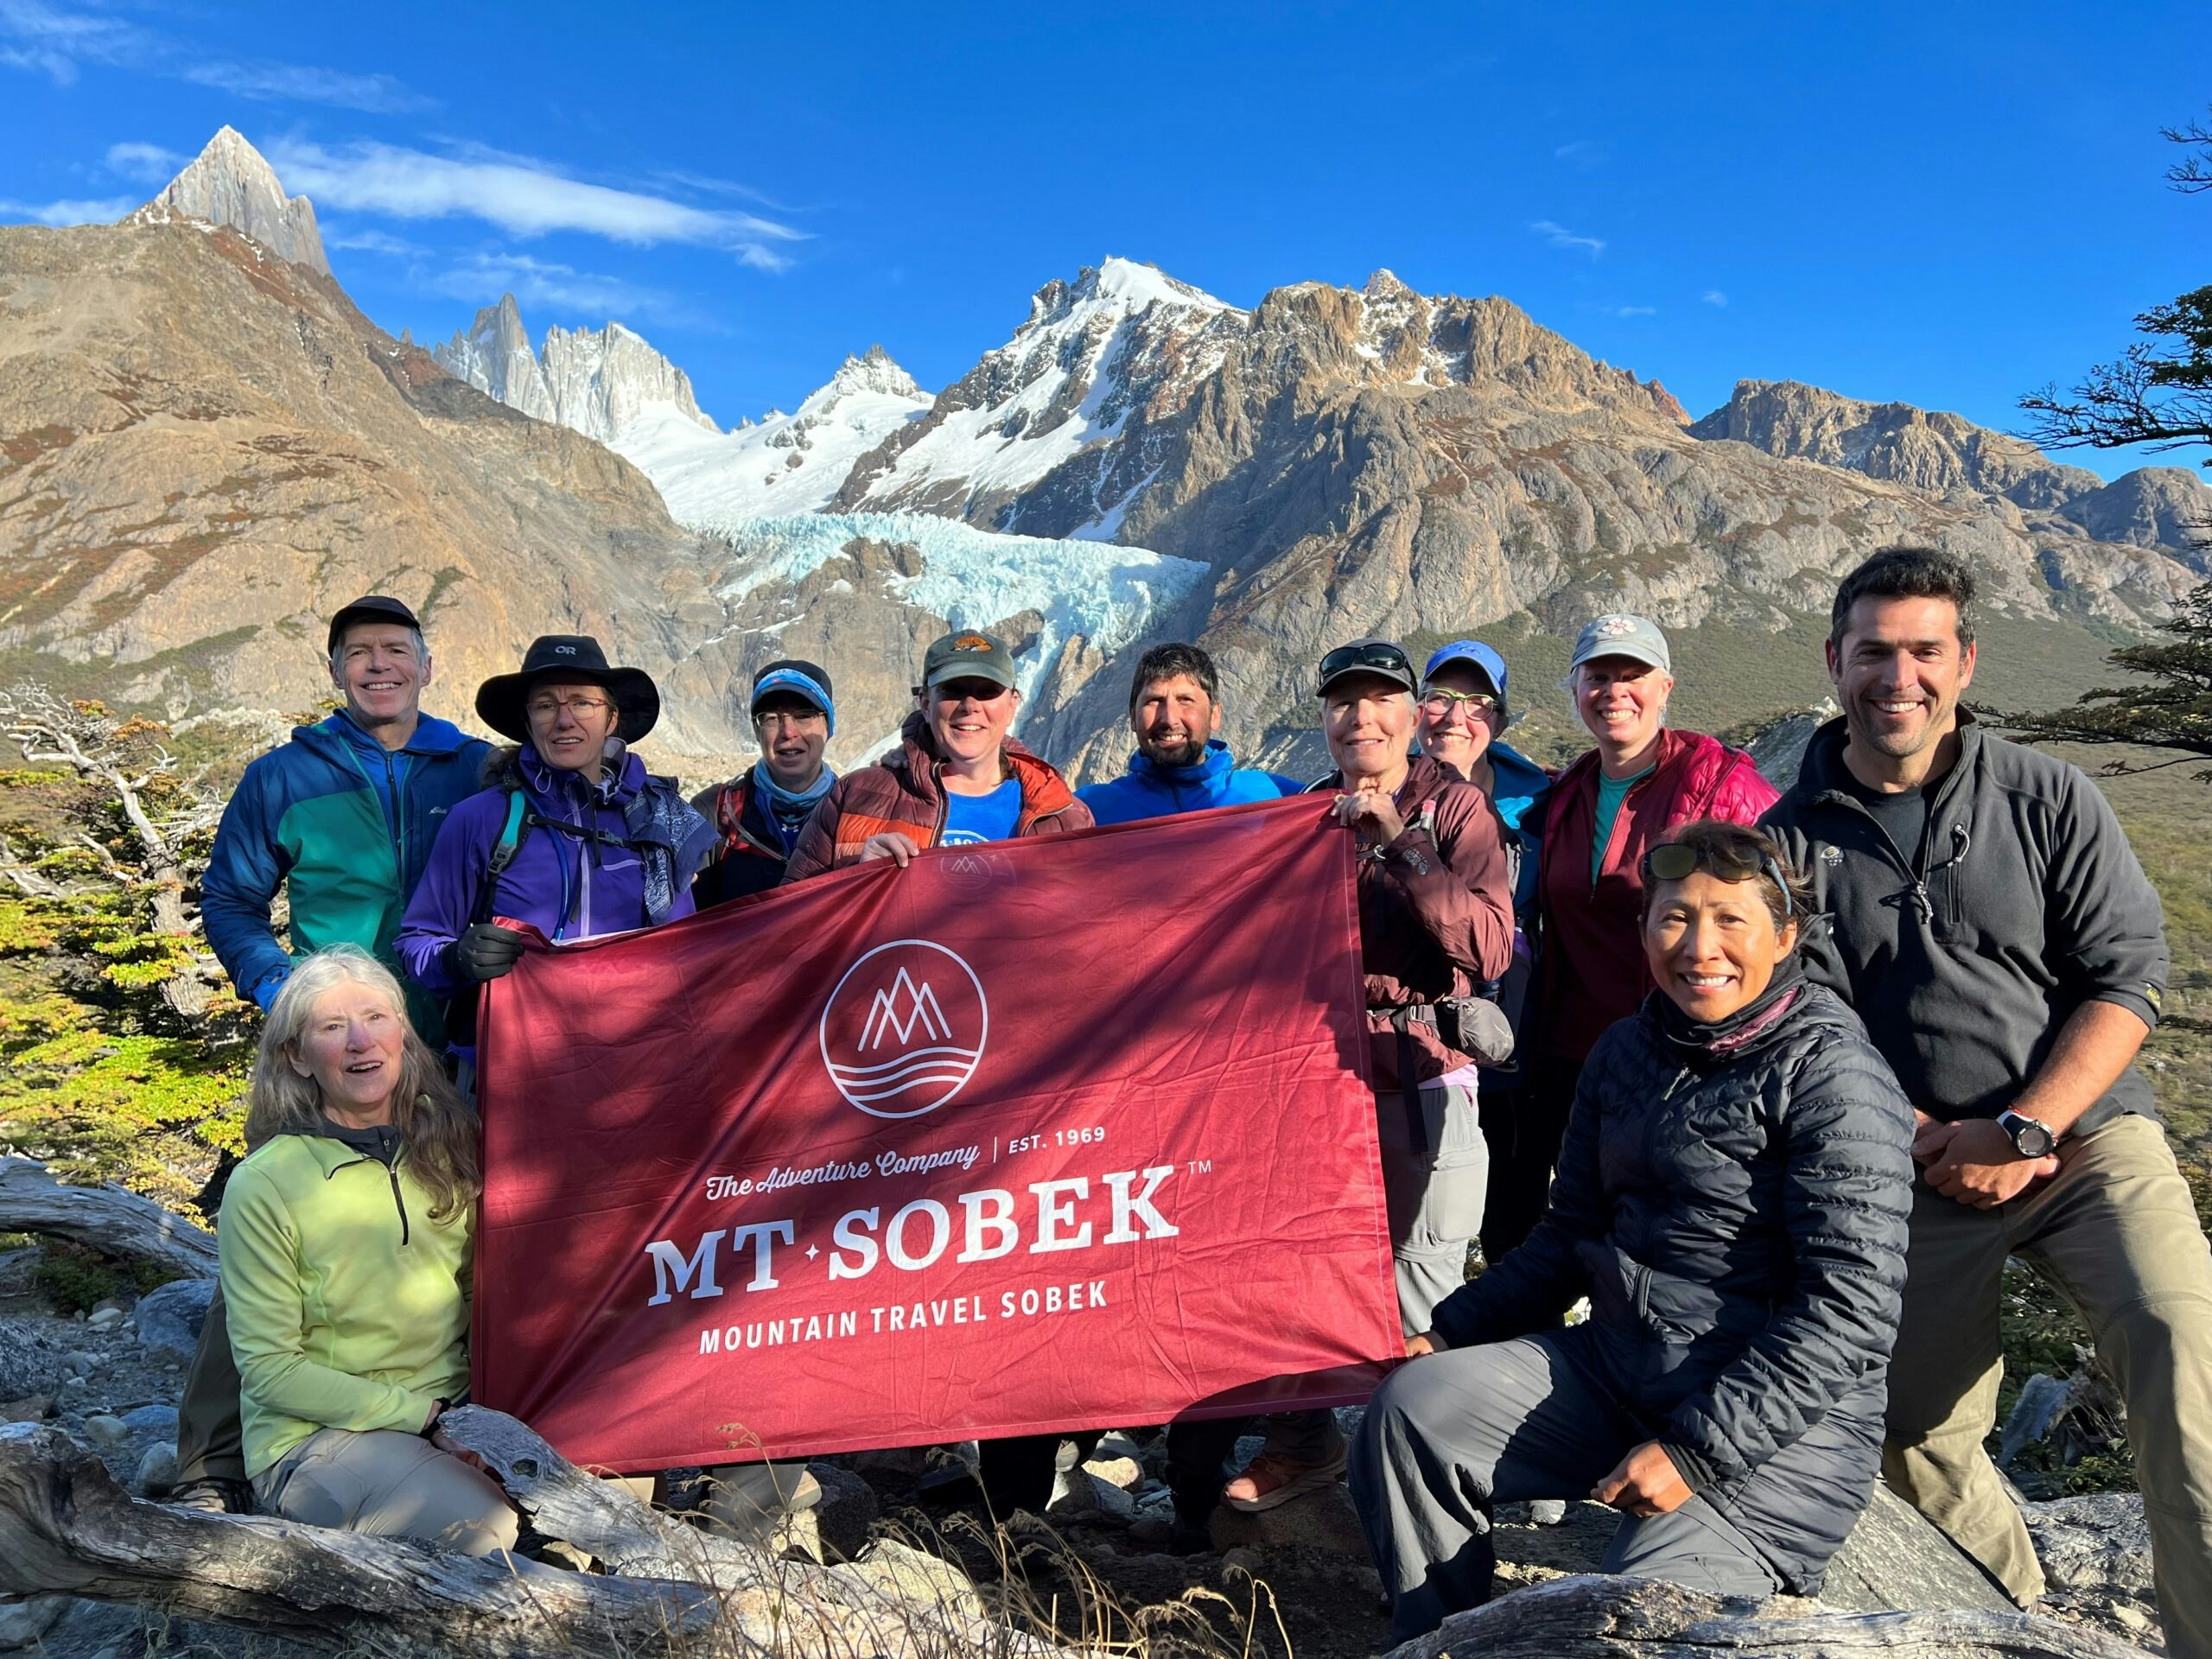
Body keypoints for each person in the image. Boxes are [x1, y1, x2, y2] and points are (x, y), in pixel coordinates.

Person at [1762, 547, 2212, 1659]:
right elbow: (1809, 1033)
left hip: (2089, 1138)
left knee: (2179, 1347)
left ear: (1964, 661)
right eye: (1874, 651)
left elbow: (2128, 976)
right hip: (1908, 1167)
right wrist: (1929, 1140)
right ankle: (2028, 1625)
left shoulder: (2044, 793)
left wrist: (2025, 1127)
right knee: (1906, 1432)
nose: (1897, 677)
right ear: (1835, 662)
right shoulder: (1787, 841)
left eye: (1924, 650)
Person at [1351, 822, 1915, 1640]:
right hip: (1621, 1373)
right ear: (1644, 930)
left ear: (1786, 935)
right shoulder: (1627, 1050)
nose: (1699, 947)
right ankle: (1449, 1639)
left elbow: (1851, 1310)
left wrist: (1695, 1455)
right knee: (1411, 1410)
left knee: (1624, 1622)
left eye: (1731, 920)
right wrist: (1445, 1333)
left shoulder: (1832, 1073)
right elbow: (1567, 1236)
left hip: (1774, 1440)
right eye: (1675, 918)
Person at [179, 594, 490, 1516]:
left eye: (397, 649)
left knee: (452, 1226)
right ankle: (211, 1462)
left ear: (429, 664)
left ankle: (451, 1410)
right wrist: (285, 994)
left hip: (444, 1036)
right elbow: (229, 900)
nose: (379, 666)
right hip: (323, 1045)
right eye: (360, 654)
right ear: (334, 673)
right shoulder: (283, 775)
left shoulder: (474, 766)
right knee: (275, 1222)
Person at [1201, 638, 1516, 1518]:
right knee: (1295, 1268)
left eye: (1379, 699)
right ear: (1326, 719)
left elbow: (1488, 948)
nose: (1360, 716)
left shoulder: (1455, 811)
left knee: (1421, 1285)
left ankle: (1422, 1488)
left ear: (1412, 716)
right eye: (1343, 702)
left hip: (1422, 1078)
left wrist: (1404, 846)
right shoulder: (1301, 815)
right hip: (1318, 1085)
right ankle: (1303, 1441)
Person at [783, 627, 1095, 1516]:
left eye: (985, 692)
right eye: (951, 691)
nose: (968, 707)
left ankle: (1015, 1506)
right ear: (924, 700)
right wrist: (848, 873)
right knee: (891, 1272)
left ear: (1012, 707)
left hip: (1020, 1088)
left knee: (1021, 1280)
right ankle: (875, 1468)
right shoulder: (860, 797)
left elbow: (1100, 943)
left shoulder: (1057, 814)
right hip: (894, 1087)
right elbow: (776, 935)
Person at [219, 946, 529, 1558]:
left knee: (606, 1485)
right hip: (317, 1436)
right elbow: (272, 1370)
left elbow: (482, 1293)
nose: (361, 1041)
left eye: (376, 1018)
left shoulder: (448, 1143)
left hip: (455, 1411)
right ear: (297, 1057)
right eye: (333, 1028)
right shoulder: (265, 1183)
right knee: (488, 1530)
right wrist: (426, 1417)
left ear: (404, 1035)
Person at [1494, 615, 1777, 1261]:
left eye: (1633, 675)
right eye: (1599, 677)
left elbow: (1786, 910)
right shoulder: (1567, 792)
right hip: (1571, 1057)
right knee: (1568, 1227)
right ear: (1574, 689)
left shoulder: (1720, 785)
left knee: (1663, 1233)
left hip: (1679, 1053)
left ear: (1666, 687)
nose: (1615, 691)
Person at [395, 635, 719, 1005]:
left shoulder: (659, 819)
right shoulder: (481, 819)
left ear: (612, 718)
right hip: (513, 1052)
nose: (564, 721)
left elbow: (682, 951)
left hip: (631, 1051)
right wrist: (454, 959)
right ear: (528, 721)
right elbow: (418, 941)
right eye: (546, 705)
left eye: (583, 703)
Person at [1076, 642, 1300, 823]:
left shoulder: (1275, 795)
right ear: (1133, 718)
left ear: (1214, 715)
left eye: (1185, 700)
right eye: (1154, 701)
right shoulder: (1088, 812)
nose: (1169, 718)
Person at [691, 659, 838, 906]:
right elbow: (687, 925)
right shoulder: (715, 812)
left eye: (804, 716)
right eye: (771, 718)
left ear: (828, 726)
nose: (788, 732)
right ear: (757, 731)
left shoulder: (854, 811)